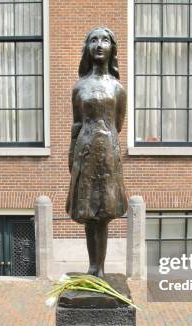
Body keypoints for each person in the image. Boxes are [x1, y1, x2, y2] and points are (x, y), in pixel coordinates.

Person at [66, 27, 128, 278]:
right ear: (87, 49)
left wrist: (105, 144)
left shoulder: (117, 89)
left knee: (103, 213)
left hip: (108, 154)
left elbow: (118, 124)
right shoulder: (79, 87)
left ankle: (99, 269)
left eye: (104, 40)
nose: (99, 45)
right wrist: (72, 153)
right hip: (85, 151)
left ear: (112, 48)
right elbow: (77, 123)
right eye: (93, 40)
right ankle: (92, 266)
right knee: (89, 212)